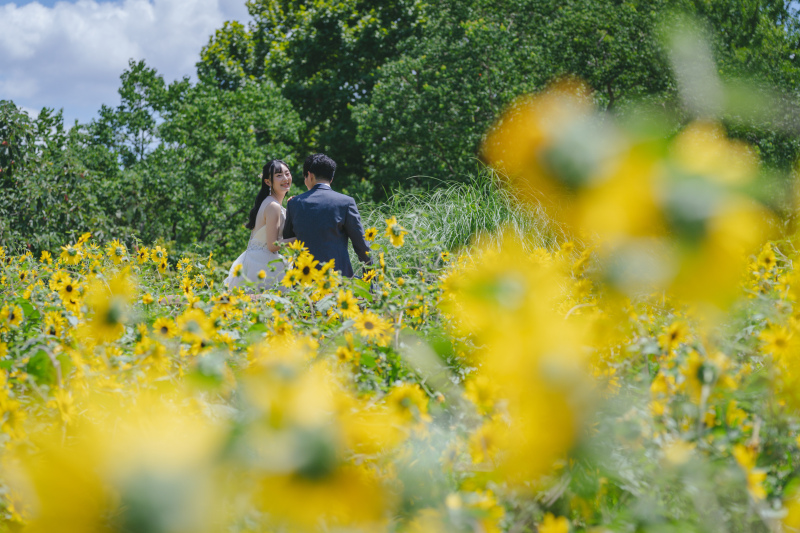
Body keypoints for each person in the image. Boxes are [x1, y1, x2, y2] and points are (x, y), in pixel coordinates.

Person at [283, 153, 372, 277]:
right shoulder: (346, 202)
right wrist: (370, 279)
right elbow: (362, 246)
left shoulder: (294, 204)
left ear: (309, 175)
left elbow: (288, 239)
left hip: (303, 282)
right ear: (331, 178)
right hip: (337, 281)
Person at [225, 159, 294, 290]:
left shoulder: (272, 203)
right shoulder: (273, 205)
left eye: (287, 173)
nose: (285, 178)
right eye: (279, 175)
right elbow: (273, 245)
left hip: (254, 261)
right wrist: (301, 239)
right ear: (268, 182)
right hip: (262, 265)